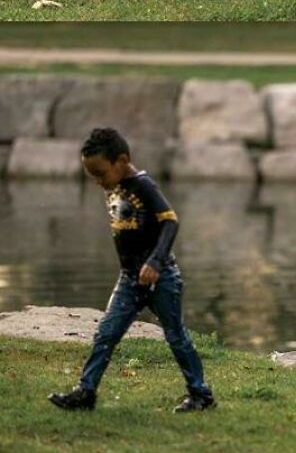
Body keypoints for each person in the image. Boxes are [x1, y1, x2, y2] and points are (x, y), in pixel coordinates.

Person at [48, 128, 215, 413]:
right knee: (106, 333)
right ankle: (86, 392)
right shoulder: (114, 186)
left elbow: (170, 221)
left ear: (122, 161)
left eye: (101, 173)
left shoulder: (143, 186)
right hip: (129, 280)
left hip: (161, 279)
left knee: (176, 336)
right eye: (93, 176)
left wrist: (155, 262)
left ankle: (201, 394)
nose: (98, 182)